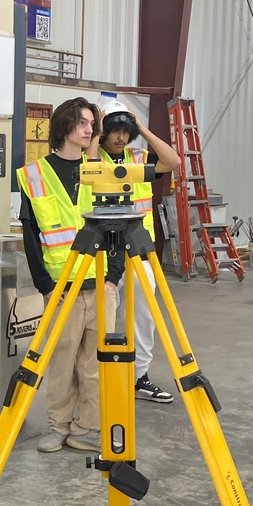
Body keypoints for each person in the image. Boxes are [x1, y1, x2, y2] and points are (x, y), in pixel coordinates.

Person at [16, 97, 118, 453]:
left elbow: (116, 225)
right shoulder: (35, 174)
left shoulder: (101, 169)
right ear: (65, 126)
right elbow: (30, 235)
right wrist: (44, 285)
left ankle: (86, 428)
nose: (90, 129)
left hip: (101, 282)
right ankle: (57, 426)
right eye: (83, 122)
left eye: (92, 123)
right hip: (61, 286)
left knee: (96, 364)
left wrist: (114, 276)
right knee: (61, 362)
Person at [89, 100, 181, 404]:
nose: (120, 138)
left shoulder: (137, 158)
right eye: (114, 131)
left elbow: (174, 161)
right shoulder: (92, 158)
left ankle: (138, 377)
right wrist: (96, 132)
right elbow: (86, 174)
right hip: (101, 253)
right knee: (102, 318)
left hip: (139, 252)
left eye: (125, 132)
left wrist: (140, 127)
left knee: (144, 316)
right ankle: (98, 379)